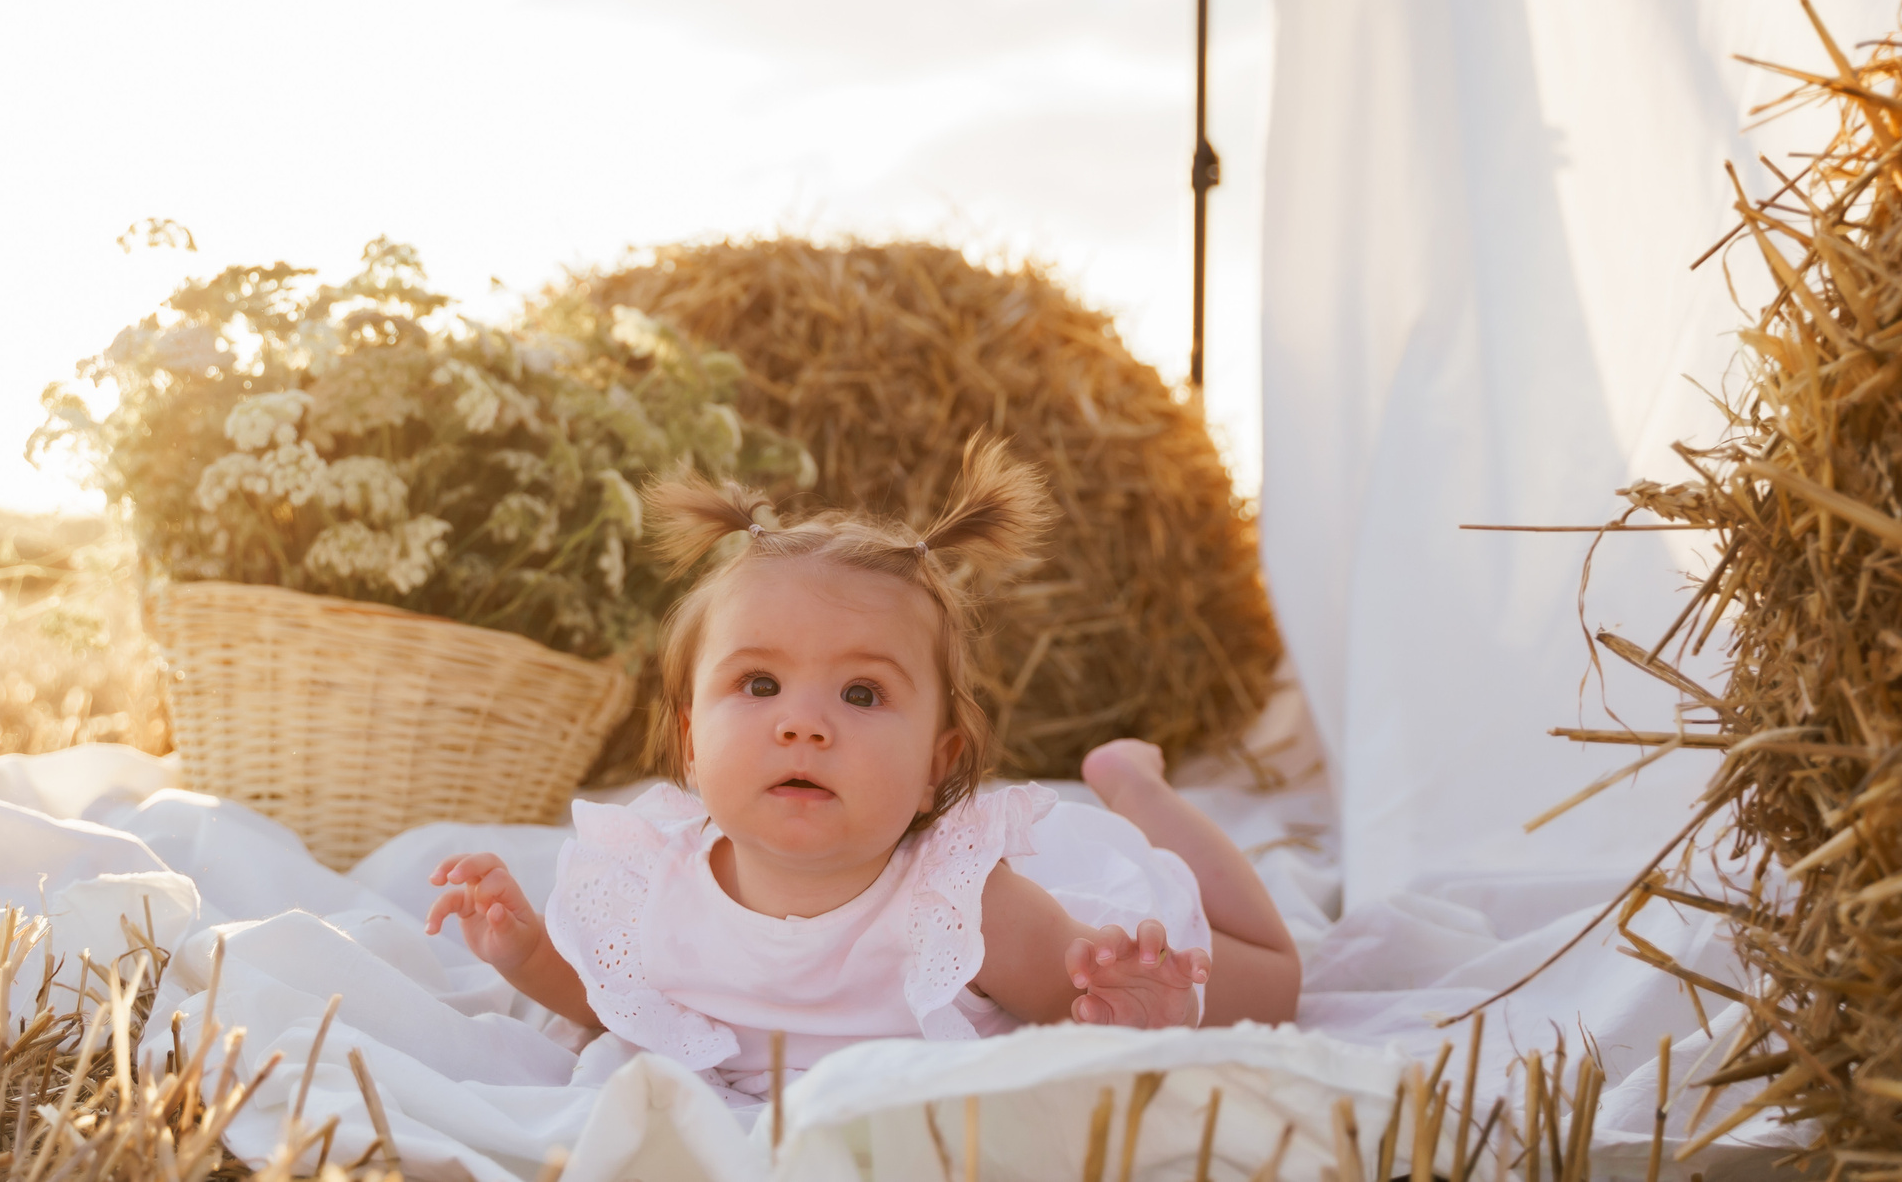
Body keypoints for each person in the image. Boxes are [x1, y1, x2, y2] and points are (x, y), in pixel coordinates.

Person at [423, 438, 1300, 1098]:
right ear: (691, 739)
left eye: (863, 694)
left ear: (936, 765)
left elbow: (1071, 995)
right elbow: (607, 994)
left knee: (1273, 984)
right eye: (759, 682)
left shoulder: (966, 903)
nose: (803, 723)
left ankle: (1134, 783)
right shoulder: (648, 883)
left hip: (1070, 894)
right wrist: (528, 949)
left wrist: (1122, 994)